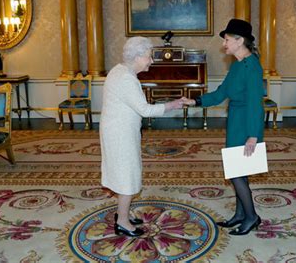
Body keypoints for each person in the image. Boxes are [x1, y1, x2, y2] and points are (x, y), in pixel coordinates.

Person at [100, 36, 187, 237]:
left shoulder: (119, 70)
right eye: (149, 56)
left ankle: (123, 213)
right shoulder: (126, 78)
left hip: (117, 130)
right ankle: (122, 222)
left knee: (124, 172)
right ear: (138, 56)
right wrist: (172, 105)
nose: (151, 61)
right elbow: (145, 110)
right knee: (127, 176)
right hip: (120, 134)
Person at [185, 18, 264, 236]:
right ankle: (240, 214)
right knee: (238, 170)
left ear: (240, 41)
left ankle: (251, 217)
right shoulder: (238, 65)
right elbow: (221, 93)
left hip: (247, 123)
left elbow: (256, 102)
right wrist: (195, 101)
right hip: (235, 120)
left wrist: (253, 136)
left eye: (227, 39)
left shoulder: (252, 66)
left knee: (237, 174)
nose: (224, 44)